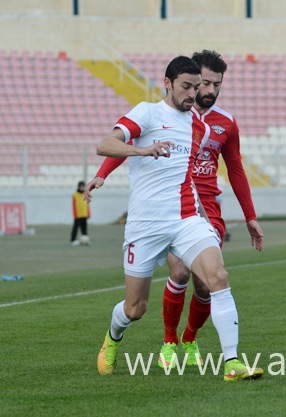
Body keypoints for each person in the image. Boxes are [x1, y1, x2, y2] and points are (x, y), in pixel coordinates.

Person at [85, 50, 264, 370]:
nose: (196, 94)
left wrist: (211, 215)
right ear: (167, 84)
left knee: (217, 277)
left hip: (186, 218)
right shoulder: (147, 113)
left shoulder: (201, 126)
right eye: (190, 86)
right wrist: (134, 155)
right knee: (135, 308)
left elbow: (190, 174)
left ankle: (232, 363)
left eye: (200, 87)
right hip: (146, 223)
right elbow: (105, 144)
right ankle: (113, 337)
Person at [71, 181, 90, 246]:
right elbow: (74, 205)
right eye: (81, 186)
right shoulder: (75, 195)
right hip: (78, 215)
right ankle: (73, 240)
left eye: (83, 186)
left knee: (84, 228)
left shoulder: (85, 193)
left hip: (84, 214)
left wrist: (88, 214)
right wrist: (75, 214)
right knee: (75, 228)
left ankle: (85, 240)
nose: (82, 188)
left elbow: (87, 205)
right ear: (79, 187)